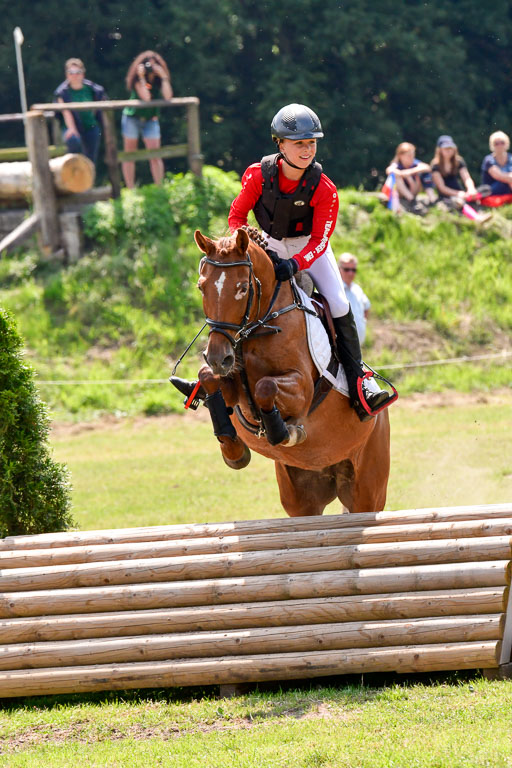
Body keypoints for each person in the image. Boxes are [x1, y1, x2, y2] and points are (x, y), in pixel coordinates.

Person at [173, 104, 394, 422]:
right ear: (280, 144)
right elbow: (237, 215)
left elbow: (320, 239)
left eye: (311, 143)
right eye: (299, 143)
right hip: (269, 242)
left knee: (339, 302)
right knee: (236, 291)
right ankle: (215, 375)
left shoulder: (325, 188)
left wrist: (296, 264)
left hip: (311, 249)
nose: (307, 150)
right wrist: (240, 242)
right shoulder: (256, 175)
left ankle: (361, 381)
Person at [121, 51, 173, 188]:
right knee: (129, 155)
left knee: (155, 155)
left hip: (150, 119)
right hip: (132, 118)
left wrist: (163, 77)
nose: (150, 67)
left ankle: (159, 187)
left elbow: (168, 96)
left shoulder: (158, 80)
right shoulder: (137, 80)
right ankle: (130, 188)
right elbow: (146, 97)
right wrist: (142, 77)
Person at [54, 58, 107, 165]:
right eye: (71, 72)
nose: (75, 75)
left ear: (83, 73)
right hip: (71, 128)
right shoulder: (62, 92)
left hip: (91, 127)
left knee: (90, 160)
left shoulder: (93, 89)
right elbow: (66, 112)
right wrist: (73, 129)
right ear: (67, 75)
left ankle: (90, 181)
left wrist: (92, 118)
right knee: (73, 145)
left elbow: (99, 104)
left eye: (78, 72)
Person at [431, 135, 491, 223]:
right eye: (446, 148)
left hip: (462, 193)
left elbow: (467, 178)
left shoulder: (458, 161)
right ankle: (477, 218)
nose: (448, 150)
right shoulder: (435, 166)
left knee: (486, 189)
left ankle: (474, 203)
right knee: (458, 202)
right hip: (447, 196)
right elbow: (442, 188)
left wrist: (471, 189)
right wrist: (459, 194)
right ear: (440, 150)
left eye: (450, 148)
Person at [384, 142, 437, 215]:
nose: (411, 158)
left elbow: (427, 167)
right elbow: (389, 170)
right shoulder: (396, 165)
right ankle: (411, 200)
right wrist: (402, 173)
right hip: (402, 193)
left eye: (413, 155)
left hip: (414, 189)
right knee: (395, 176)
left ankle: (432, 198)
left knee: (425, 174)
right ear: (401, 156)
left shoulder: (415, 163)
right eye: (409, 156)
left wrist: (410, 172)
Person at [338, 253, 370, 345]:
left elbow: (367, 307)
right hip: (342, 346)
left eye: (353, 270)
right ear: (339, 269)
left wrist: (362, 322)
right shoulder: (335, 290)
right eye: (347, 269)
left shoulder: (357, 289)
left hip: (358, 345)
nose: (350, 273)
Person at [481, 131, 512, 196]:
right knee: (503, 183)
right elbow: (499, 176)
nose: (499, 145)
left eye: (502, 142)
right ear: (492, 145)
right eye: (496, 143)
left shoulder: (511, 158)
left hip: (508, 187)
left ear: (507, 143)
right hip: (492, 190)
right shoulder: (489, 160)